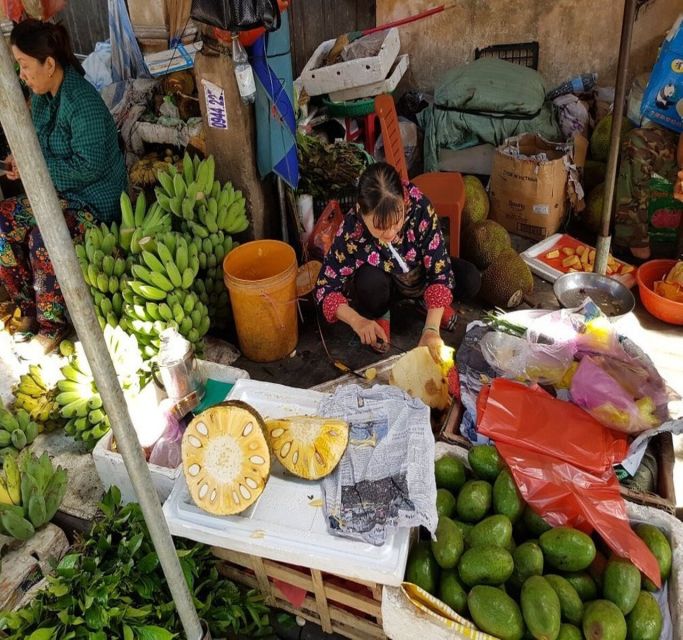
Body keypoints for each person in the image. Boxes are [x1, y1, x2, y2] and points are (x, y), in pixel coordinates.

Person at [1, 20, 127, 355]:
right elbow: (39, 145)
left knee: (44, 236)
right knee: (2, 221)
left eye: (25, 66)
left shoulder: (82, 103)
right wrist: (21, 160)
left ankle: (53, 326)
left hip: (93, 206)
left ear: (50, 64)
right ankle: (26, 306)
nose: (22, 75)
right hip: (58, 195)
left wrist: (33, 170)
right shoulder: (43, 96)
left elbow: (88, 168)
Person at [315, 162, 455, 354]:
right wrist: (358, 321)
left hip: (421, 280)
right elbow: (325, 287)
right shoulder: (352, 230)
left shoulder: (420, 208)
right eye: (380, 226)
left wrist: (431, 330)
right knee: (368, 282)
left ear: (403, 200)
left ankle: (429, 307)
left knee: (469, 278)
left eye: (396, 222)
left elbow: (440, 272)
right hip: (386, 286)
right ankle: (382, 314)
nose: (390, 233)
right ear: (361, 212)